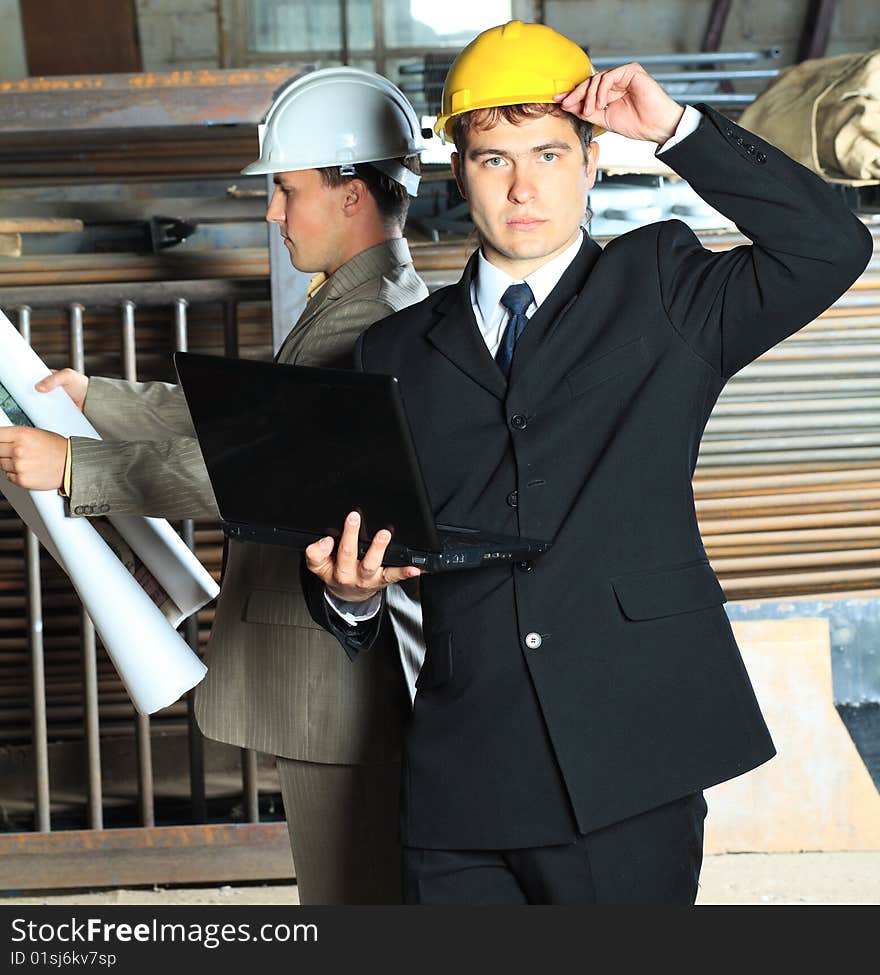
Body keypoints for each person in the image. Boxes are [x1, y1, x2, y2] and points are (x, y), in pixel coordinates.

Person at [303, 22, 873, 904]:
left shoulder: (665, 287)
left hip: (628, 756)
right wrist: (349, 594)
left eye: (549, 154)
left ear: (593, 160)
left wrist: (680, 129)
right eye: (494, 159)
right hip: (464, 768)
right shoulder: (394, 351)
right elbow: (358, 547)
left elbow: (831, 246)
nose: (524, 187)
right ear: (459, 171)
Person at [0, 67, 427, 904]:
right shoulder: (348, 299)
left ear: (351, 194)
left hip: (333, 686)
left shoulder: (371, 318)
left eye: (287, 190)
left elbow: (267, 469)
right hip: (319, 680)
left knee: (352, 897)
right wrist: (101, 401)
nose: (272, 212)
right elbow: (256, 426)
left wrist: (76, 466)